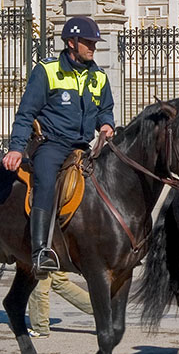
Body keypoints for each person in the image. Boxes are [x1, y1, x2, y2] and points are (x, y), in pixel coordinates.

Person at [2, 17, 115, 279]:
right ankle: (41, 251)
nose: (92, 48)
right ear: (71, 42)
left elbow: (105, 109)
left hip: (82, 146)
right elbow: (26, 112)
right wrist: (17, 148)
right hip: (50, 144)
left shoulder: (98, 76)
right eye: (88, 42)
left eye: (94, 43)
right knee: (46, 182)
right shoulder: (48, 70)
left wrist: (106, 124)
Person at [28, 271, 94, 337]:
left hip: (43, 261)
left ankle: (40, 328)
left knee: (38, 284)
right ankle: (101, 310)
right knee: (59, 281)